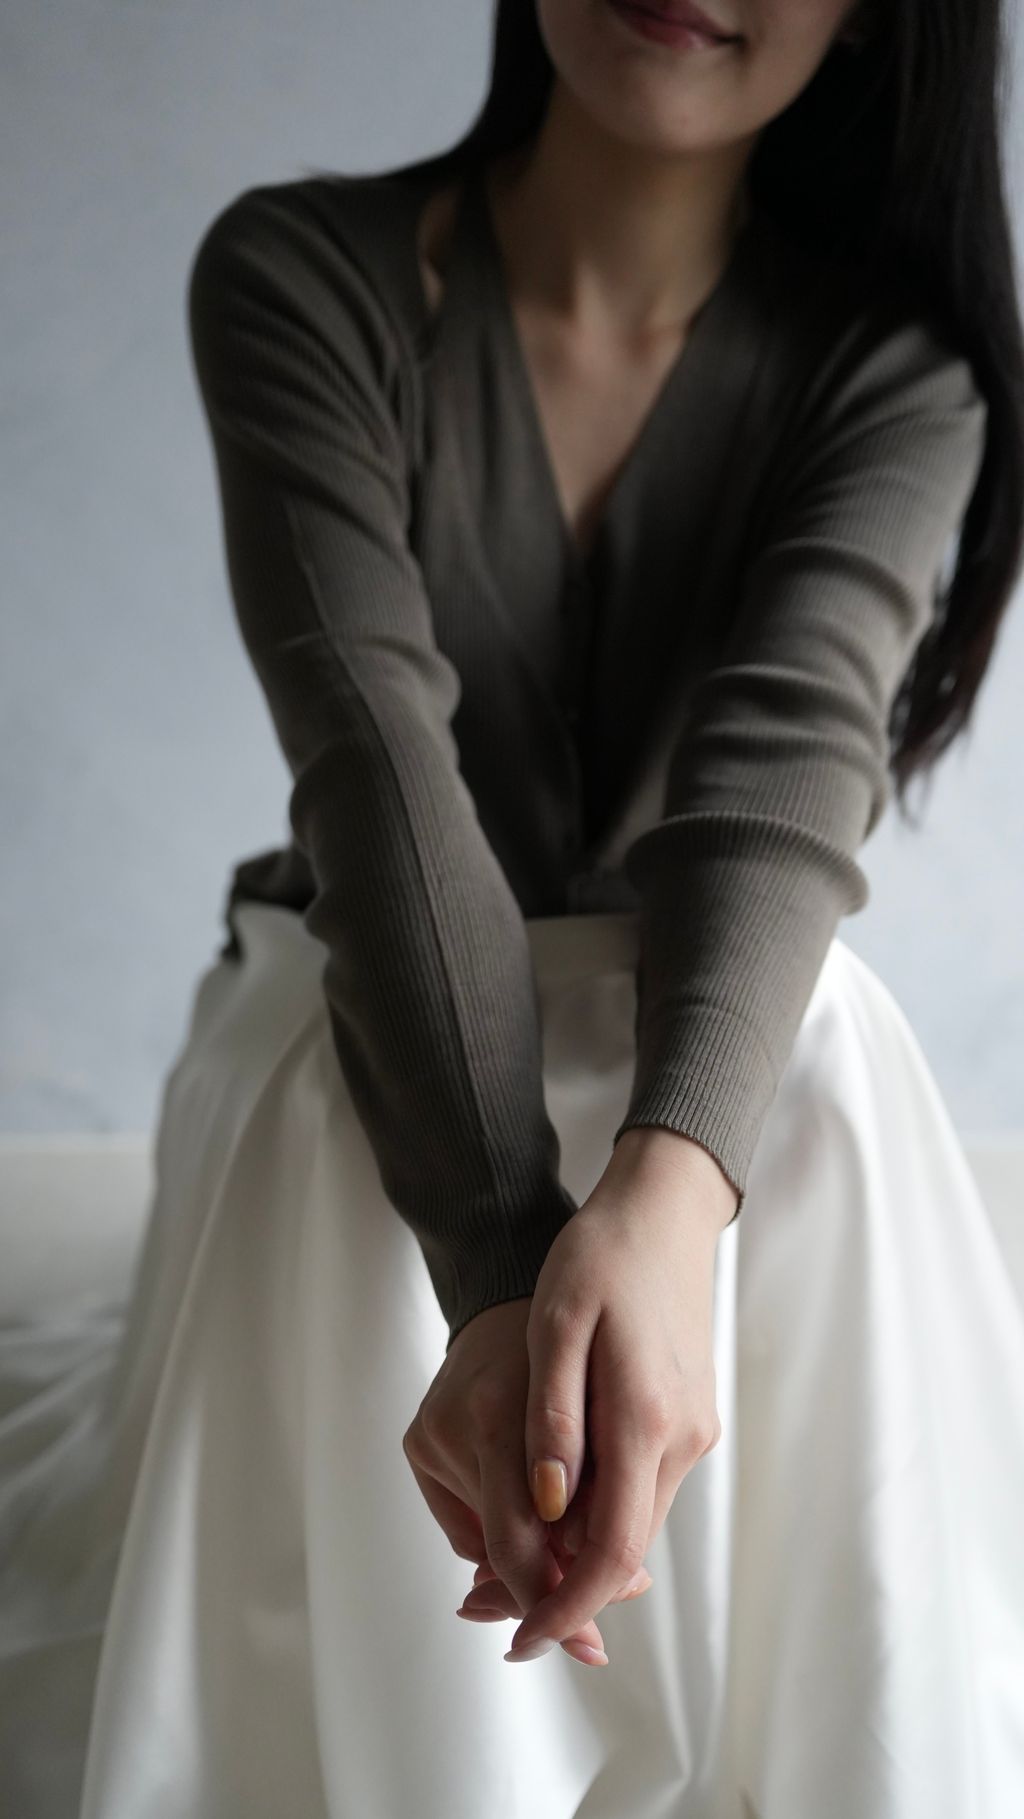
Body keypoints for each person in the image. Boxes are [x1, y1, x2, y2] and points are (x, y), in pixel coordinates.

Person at [3, 1, 1024, 1814]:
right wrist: (494, 1270)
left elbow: (781, 777)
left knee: (818, 1043)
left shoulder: (895, 373)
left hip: (668, 1004)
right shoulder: (304, 274)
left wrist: (667, 1200)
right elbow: (378, 776)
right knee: (343, 1092)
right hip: (347, 965)